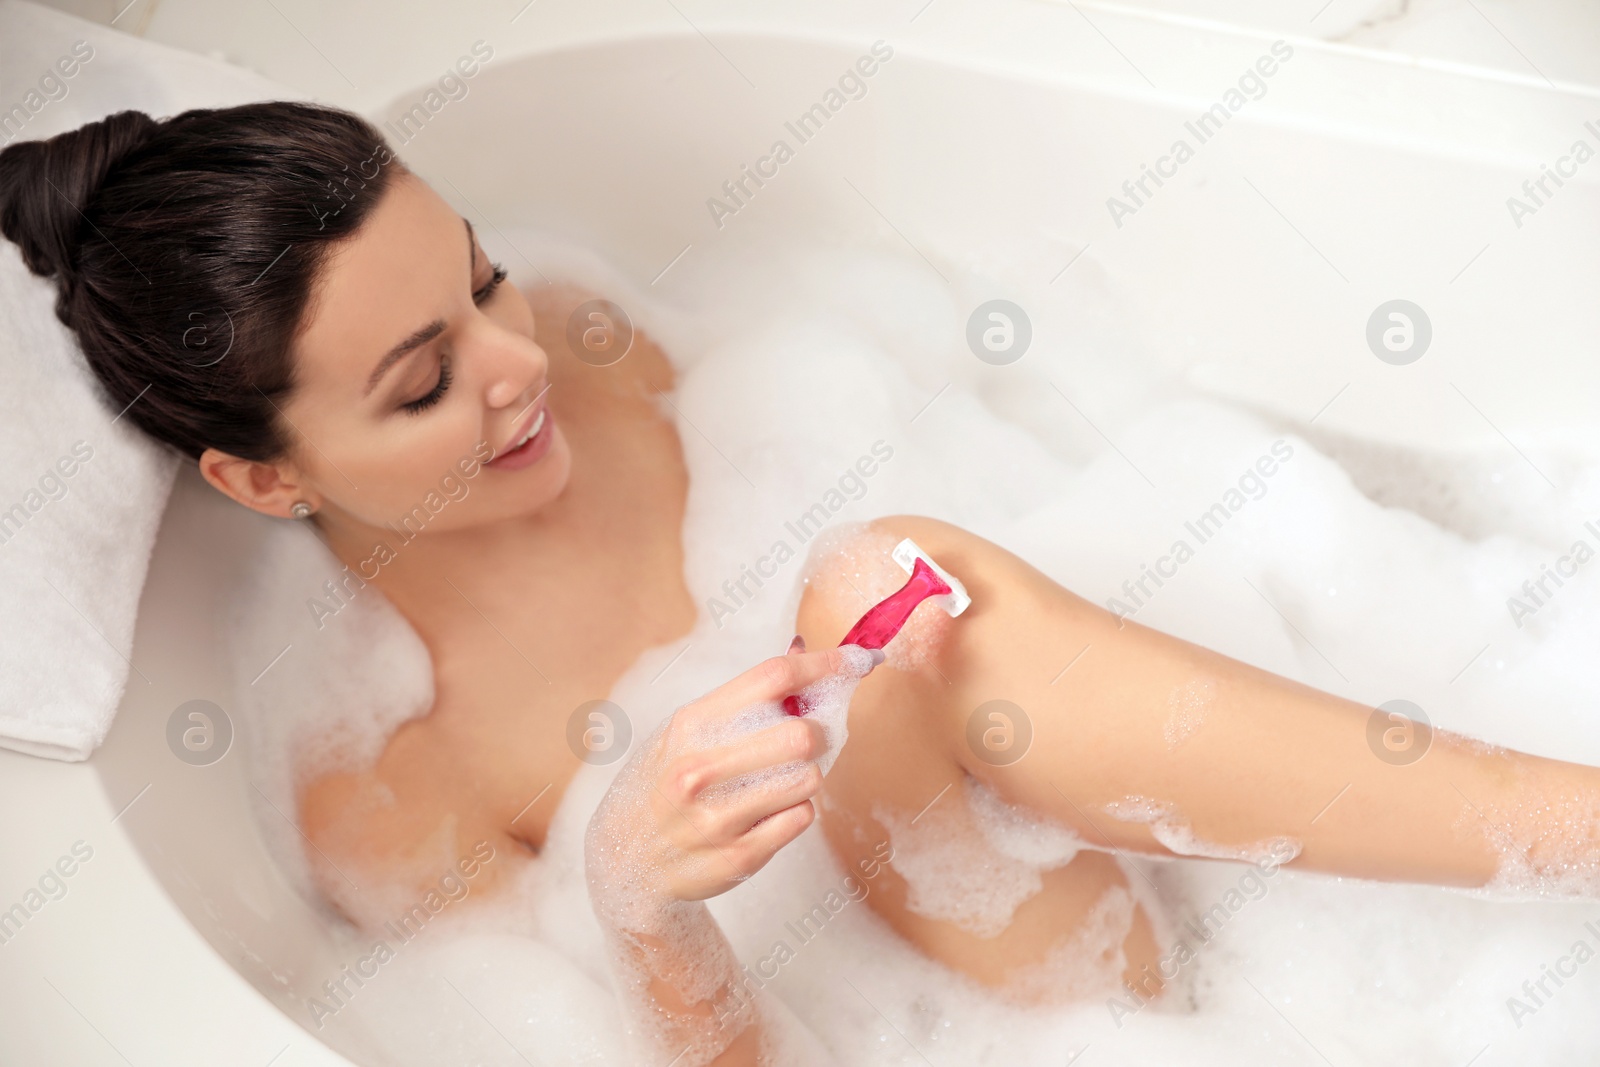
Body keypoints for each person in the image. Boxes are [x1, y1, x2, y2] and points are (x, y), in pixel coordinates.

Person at [4, 102, 1596, 1067]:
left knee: (875, 586)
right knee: (868, 586)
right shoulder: (390, 786)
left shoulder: (597, 341)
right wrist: (635, 900)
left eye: (482, 278)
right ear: (264, 477)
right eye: (427, 381)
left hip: (1177, 826)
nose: (520, 360)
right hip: (1030, 1013)